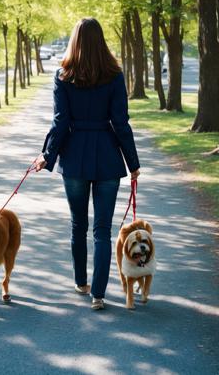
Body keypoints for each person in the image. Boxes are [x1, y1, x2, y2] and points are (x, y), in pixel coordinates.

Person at [35, 17, 140, 310]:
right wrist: (133, 163)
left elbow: (60, 121)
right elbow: (121, 123)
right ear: (101, 41)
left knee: (78, 224)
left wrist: (48, 155)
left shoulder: (63, 75)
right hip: (107, 156)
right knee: (103, 230)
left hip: (75, 157)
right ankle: (98, 294)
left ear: (75, 41)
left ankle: (81, 281)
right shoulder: (115, 75)